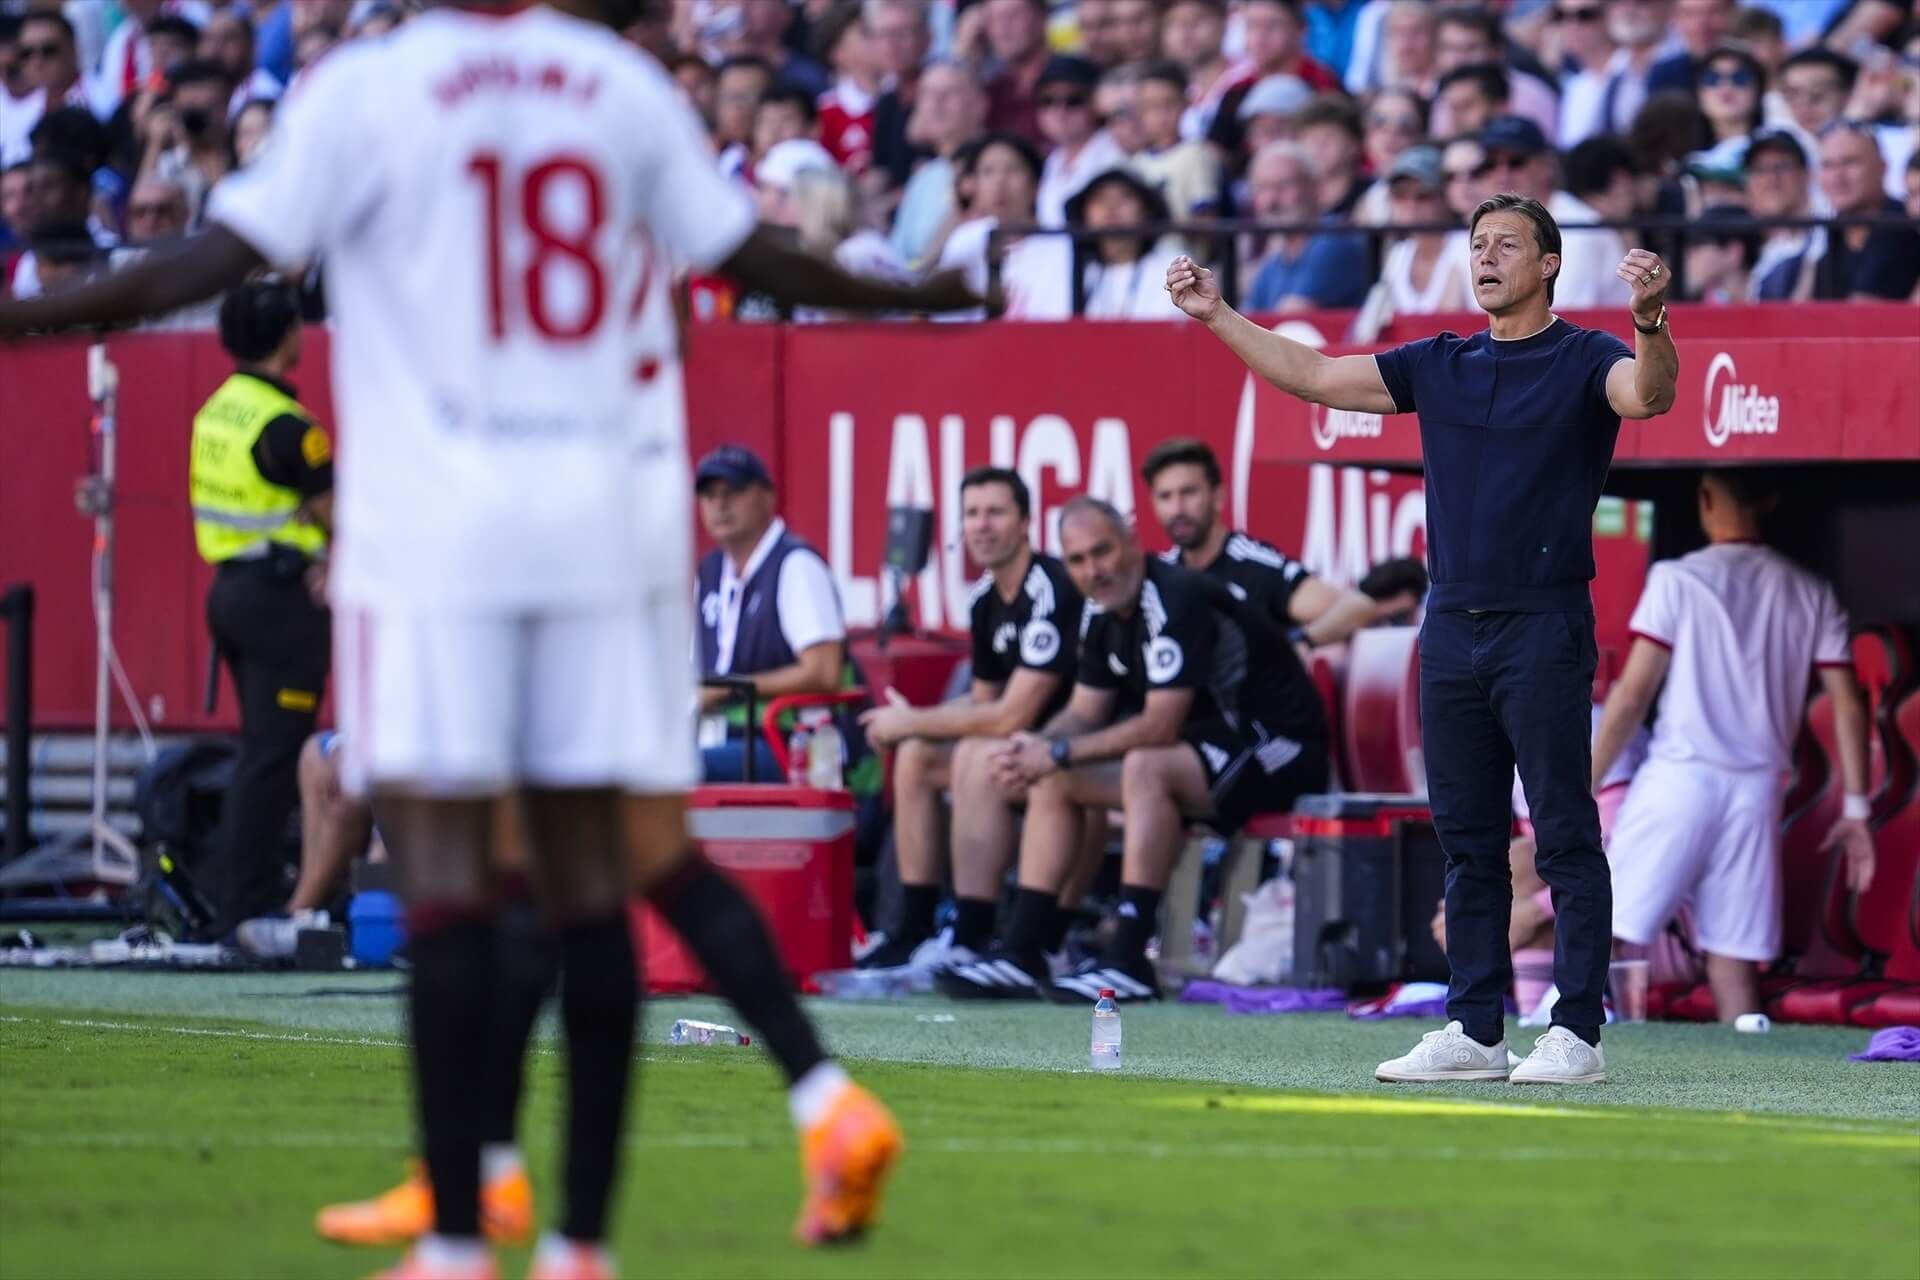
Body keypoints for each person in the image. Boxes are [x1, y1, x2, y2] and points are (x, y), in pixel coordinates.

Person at [0, 3, 984, 1275]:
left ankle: (463, 1234)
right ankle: (582, 1235)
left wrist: (31, 320)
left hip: (442, 533)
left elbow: (206, 263)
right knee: (600, 873)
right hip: (607, 518)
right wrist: (917, 297)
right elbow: (760, 257)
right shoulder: (613, 84)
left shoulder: (372, 87)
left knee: (455, 874)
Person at [1169, 187, 1680, 1084]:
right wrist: (1218, 316)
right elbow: (1316, 375)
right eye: (1477, 243)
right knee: (1468, 839)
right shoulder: (1440, 361)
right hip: (1448, 627)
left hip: (1543, 623)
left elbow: (1648, 395)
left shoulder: (1586, 356)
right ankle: (1476, 1030)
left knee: (1562, 833)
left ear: (1549, 263)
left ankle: (1577, 1035)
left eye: (1507, 244)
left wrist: (1650, 321)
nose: (1485, 257)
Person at [937, 496, 1330, 1003]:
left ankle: (1128, 957)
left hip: (1282, 748)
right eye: (1077, 560)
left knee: (1143, 766)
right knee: (1056, 777)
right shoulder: (1102, 612)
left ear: (1131, 541)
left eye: (1102, 552)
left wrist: (1058, 751)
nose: (1093, 570)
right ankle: (1024, 949)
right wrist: (1032, 749)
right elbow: (1084, 711)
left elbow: (1159, 726)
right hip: (1209, 751)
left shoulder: (1175, 594)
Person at [1594, 471, 1875, 1022]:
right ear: (1769, 500)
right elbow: (1848, 704)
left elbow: (1631, 697)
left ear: (1704, 500)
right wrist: (1858, 808)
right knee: (1733, 959)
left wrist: (1583, 783)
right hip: (1756, 791)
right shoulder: (1809, 590)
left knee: (1601, 928)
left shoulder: (1677, 578)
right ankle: (1754, 1076)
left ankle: (1560, 1041)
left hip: (1681, 778)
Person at [855, 466, 1085, 976]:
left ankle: (972, 932)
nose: (982, 525)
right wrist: (909, 724)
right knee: (916, 755)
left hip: (1074, 744)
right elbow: (980, 700)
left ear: (1025, 522)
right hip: (1020, 745)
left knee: (977, 754)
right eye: (972, 514)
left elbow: (1010, 714)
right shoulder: (984, 600)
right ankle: (909, 931)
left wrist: (914, 717)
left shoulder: (1050, 587)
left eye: (996, 512)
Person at [188, 280, 333, 940]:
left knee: (260, 755)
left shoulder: (219, 411)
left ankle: (241, 899)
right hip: (282, 601)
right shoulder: (288, 427)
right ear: (286, 338)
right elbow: (339, 513)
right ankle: (244, 910)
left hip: (231, 592)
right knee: (273, 758)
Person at [694, 445, 848, 782]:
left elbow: (824, 673)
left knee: (678, 771)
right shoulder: (709, 571)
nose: (719, 504)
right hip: (723, 736)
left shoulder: (796, 566)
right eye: (709, 494)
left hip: (794, 743)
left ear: (768, 497)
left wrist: (726, 690)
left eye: (733, 492)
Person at [1143, 437, 1380, 645]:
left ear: (1218, 496)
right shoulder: (1160, 577)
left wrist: (1301, 642)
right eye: (1165, 496)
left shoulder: (1255, 567)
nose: (1177, 509)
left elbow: (1358, 607)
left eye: (1188, 492)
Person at [1478, 114, 1631, 308]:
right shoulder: (1483, 223)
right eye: (1490, 164)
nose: (1502, 174)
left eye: (1516, 162)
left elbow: (1564, 314)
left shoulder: (1579, 225)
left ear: (1546, 166)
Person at [1240, 139, 1369, 311]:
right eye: (1263, 188)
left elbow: (1292, 315)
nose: (1271, 201)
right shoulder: (1274, 262)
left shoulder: (1336, 238)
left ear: (1315, 186)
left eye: (1283, 185)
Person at [1806, 120, 1920, 300]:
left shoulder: (1901, 225)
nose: (1837, 177)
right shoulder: (1828, 232)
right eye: (1827, 165)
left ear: (1883, 167)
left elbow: (1863, 313)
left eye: (1850, 162)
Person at [1064, 166, 1185, 319]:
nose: (1111, 207)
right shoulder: (1080, 272)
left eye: (1125, 197)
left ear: (1146, 210)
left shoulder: (1172, 267)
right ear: (1084, 214)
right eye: (1100, 199)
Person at [1375, 145, 1472, 315]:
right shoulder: (1399, 254)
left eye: (1423, 195)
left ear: (1444, 197)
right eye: (1400, 194)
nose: (1410, 204)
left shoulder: (1467, 247)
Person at [1033, 55, 1127, 226]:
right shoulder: (1053, 160)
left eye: (1073, 100)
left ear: (1096, 103)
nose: (1059, 111)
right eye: (1047, 100)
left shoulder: (1116, 150)